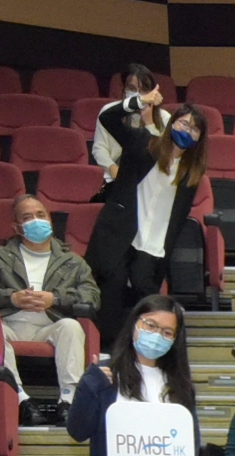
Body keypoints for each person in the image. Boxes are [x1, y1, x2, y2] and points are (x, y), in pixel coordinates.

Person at [66, 297, 200, 456]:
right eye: (150, 325)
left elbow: (191, 447)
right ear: (134, 324)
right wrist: (89, 385)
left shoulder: (180, 386)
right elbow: (77, 430)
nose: (157, 335)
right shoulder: (105, 375)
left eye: (167, 332)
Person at [0, 192, 97, 413]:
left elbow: (91, 295)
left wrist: (54, 298)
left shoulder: (73, 261)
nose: (36, 220)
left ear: (50, 220)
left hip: (49, 325)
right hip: (9, 323)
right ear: (16, 227)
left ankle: (69, 400)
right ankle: (20, 399)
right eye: (27, 217)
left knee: (72, 327)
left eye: (40, 214)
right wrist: (11, 298)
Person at [86, 81, 204, 309]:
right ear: (171, 124)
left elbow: (179, 216)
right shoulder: (144, 143)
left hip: (155, 241)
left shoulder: (192, 173)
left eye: (194, 129)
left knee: (145, 290)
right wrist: (141, 101)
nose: (187, 131)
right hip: (122, 230)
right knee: (113, 286)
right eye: (183, 123)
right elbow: (108, 118)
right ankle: (109, 342)